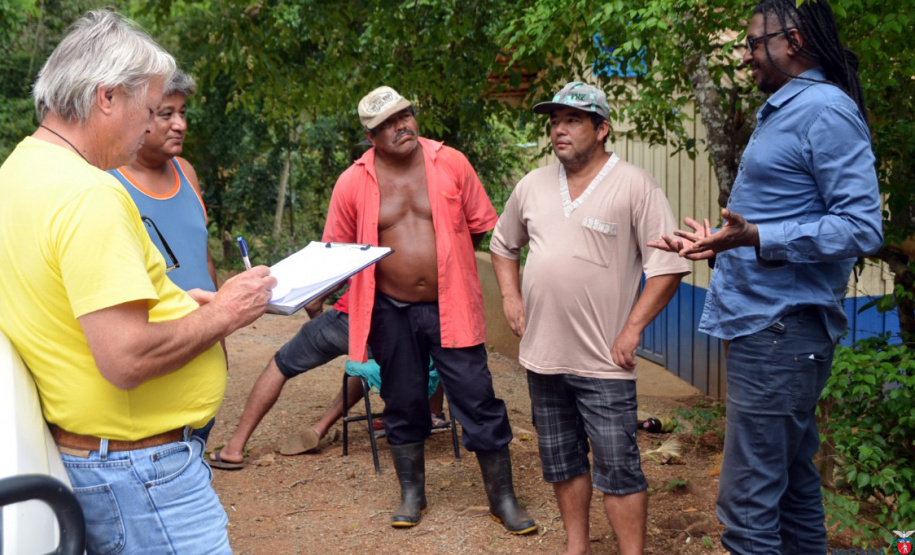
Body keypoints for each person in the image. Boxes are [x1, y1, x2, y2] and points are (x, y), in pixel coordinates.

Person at [0, 10, 276, 554]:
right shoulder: (91, 195)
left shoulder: (18, 172)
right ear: (107, 98)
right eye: (150, 110)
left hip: (97, 456)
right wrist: (223, 313)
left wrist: (180, 305)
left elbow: (68, 305)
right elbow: (124, 358)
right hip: (140, 470)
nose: (152, 127)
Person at [647, 1, 883, 552]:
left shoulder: (824, 110)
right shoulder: (784, 109)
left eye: (755, 43)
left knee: (747, 505)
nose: (747, 54)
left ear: (793, 40)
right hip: (768, 327)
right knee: (795, 490)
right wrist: (718, 246)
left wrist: (756, 238)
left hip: (782, 330)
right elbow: (780, 216)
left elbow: (861, 225)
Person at [323, 85, 536, 534]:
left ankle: (503, 499)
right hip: (389, 311)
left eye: (404, 116)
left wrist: (445, 267)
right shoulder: (352, 182)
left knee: (478, 398)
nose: (399, 127)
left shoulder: (451, 163)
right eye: (385, 124)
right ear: (369, 136)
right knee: (401, 400)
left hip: (451, 305)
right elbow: (337, 252)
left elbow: (483, 229)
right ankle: (411, 494)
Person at [489, 81, 690, 554]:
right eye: (554, 121)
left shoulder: (635, 185)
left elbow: (668, 268)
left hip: (604, 361)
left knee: (619, 469)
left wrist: (632, 329)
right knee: (563, 463)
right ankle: (575, 548)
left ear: (601, 129)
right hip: (543, 356)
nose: (559, 129)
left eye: (572, 120)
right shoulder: (532, 185)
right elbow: (502, 246)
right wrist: (510, 297)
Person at [207, 289, 449, 470]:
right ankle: (320, 427)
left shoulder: (370, 224)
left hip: (350, 314)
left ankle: (234, 448)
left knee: (280, 365)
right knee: (362, 362)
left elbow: (324, 285)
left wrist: (316, 310)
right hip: (391, 321)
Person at [107, 68, 221, 443]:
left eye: (183, 112)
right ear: (139, 115)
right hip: (157, 350)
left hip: (201, 347)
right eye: (166, 113)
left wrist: (219, 327)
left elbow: (202, 257)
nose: (180, 125)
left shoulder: (186, 172)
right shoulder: (108, 183)